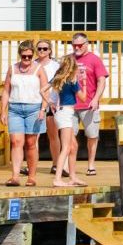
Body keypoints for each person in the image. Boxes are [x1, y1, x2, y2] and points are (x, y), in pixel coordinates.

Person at [0, 41, 48, 187]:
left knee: (31, 143)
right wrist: (3, 110)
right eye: (24, 56)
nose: (26, 59)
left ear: (33, 55)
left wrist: (43, 109)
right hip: (15, 108)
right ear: (20, 55)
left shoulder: (39, 69)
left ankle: (32, 176)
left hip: (34, 108)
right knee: (16, 142)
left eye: (29, 56)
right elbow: (6, 90)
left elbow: (46, 90)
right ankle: (15, 176)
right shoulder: (12, 69)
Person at [70, 33, 108, 176]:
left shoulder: (94, 59)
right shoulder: (69, 59)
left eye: (80, 45)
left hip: (89, 104)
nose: (77, 47)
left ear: (86, 44)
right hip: (70, 105)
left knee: (92, 135)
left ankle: (91, 164)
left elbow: (102, 80)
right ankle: (70, 166)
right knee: (69, 136)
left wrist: (96, 98)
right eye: (74, 45)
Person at [46, 53, 86, 187]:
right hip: (66, 114)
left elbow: (42, 90)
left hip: (62, 112)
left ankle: (72, 177)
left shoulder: (58, 78)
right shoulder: (72, 81)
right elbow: (83, 98)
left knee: (74, 146)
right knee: (66, 147)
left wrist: (50, 102)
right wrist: (84, 83)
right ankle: (57, 178)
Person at [35, 39, 61, 175]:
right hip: (36, 103)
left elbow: (59, 84)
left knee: (53, 135)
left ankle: (56, 164)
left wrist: (56, 101)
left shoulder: (56, 66)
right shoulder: (32, 64)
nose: (41, 51)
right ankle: (32, 165)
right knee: (34, 136)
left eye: (45, 49)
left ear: (50, 50)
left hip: (52, 103)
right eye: (39, 48)